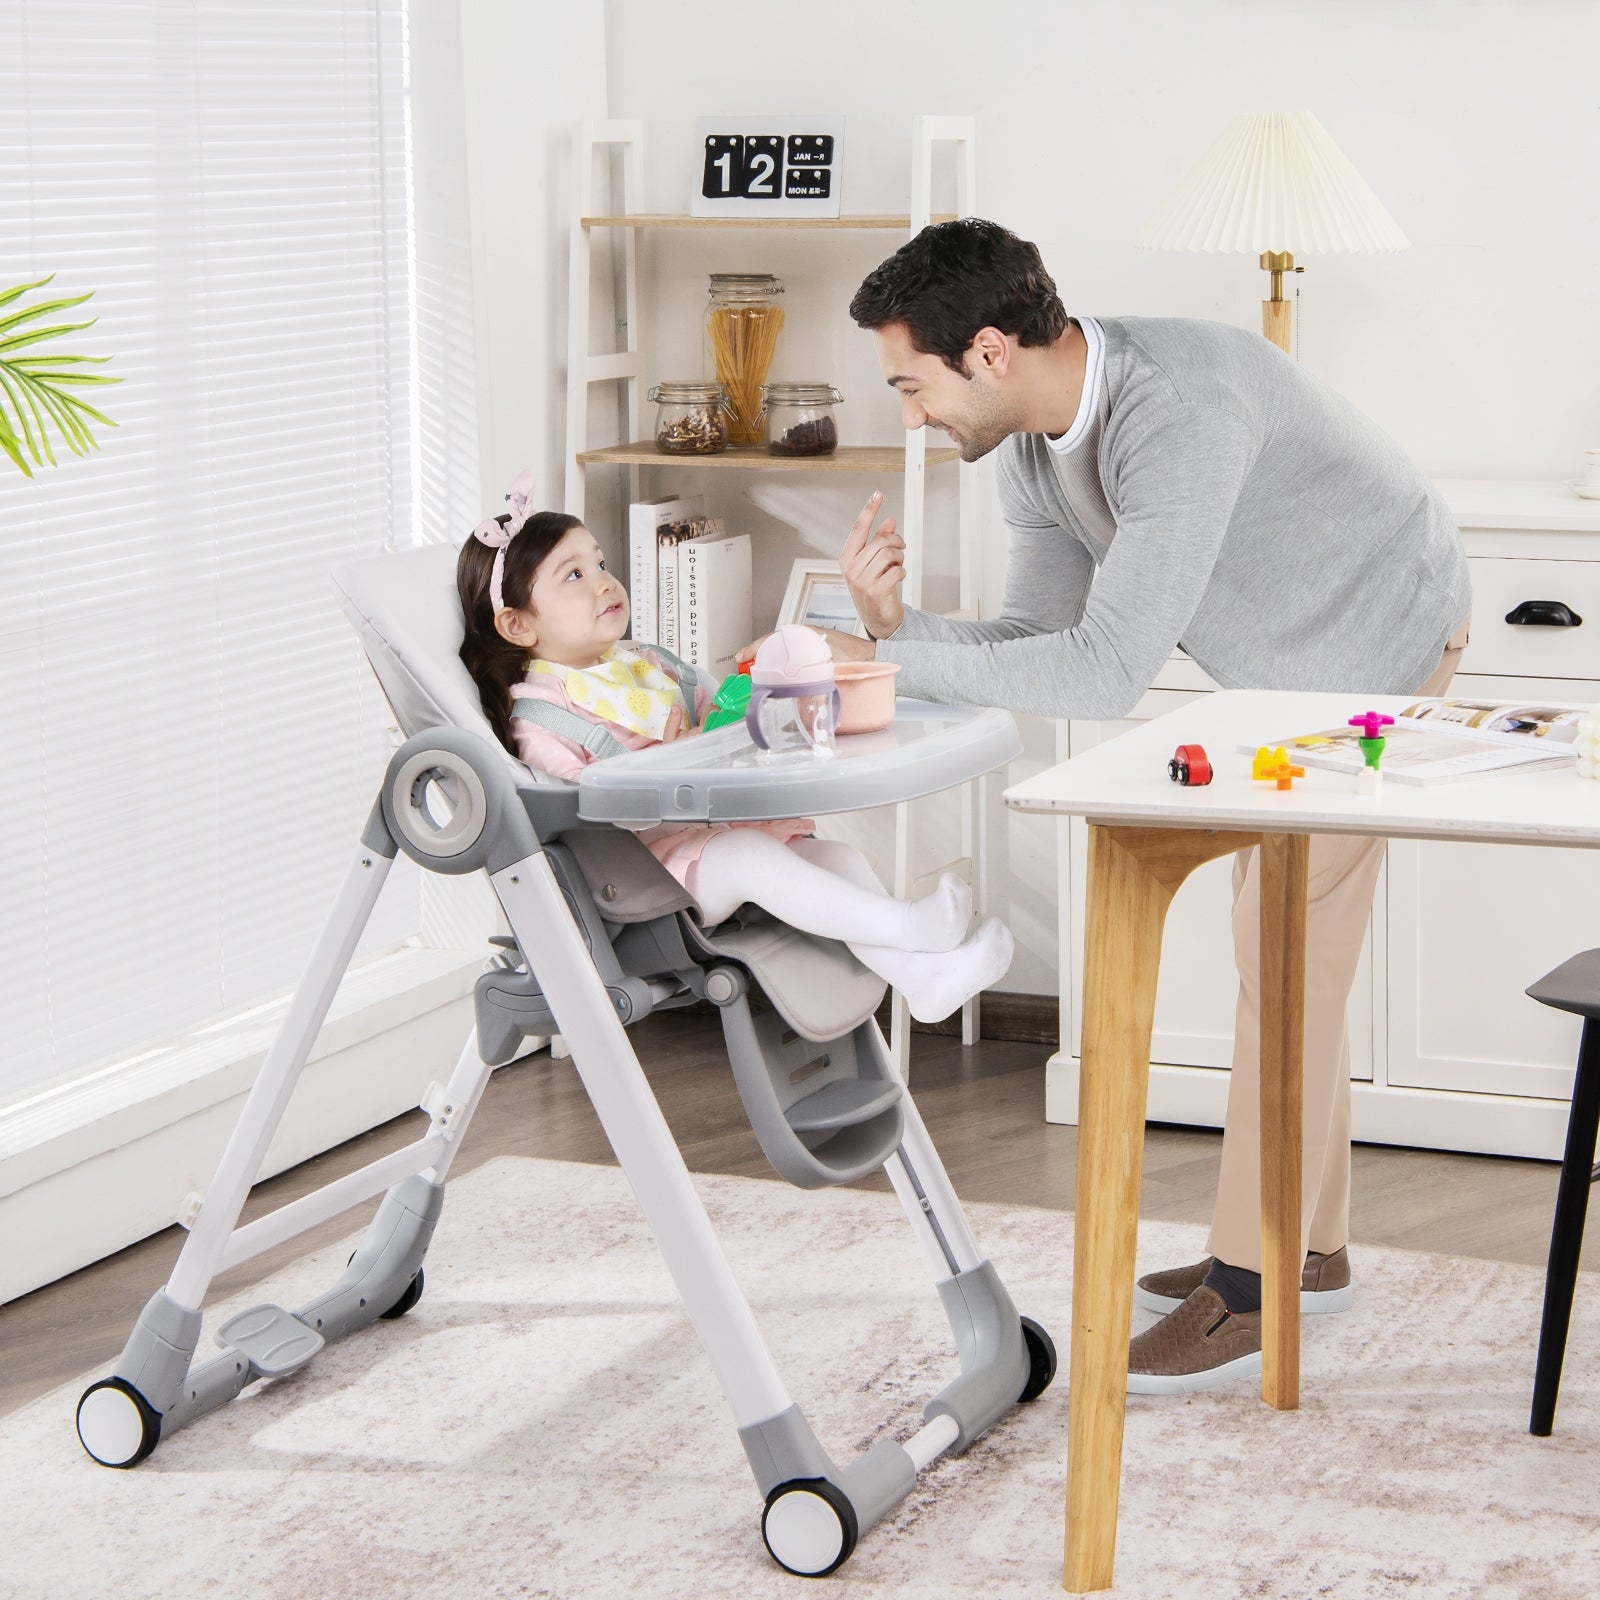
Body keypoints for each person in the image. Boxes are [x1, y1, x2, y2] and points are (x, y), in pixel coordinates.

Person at [825, 218, 1471, 1394]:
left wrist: (881, 663)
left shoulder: (1175, 414)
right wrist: (889, 637)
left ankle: (1248, 1289)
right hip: (1284, 681)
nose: (910, 419)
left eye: (911, 386)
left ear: (985, 352)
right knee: (1287, 945)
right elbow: (1034, 641)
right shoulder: (1028, 445)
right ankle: (1309, 1247)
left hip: (1381, 639)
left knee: (1279, 944)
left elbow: (1101, 674)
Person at [455, 474, 1015, 1024]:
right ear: (518, 624)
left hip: (715, 832)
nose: (604, 582)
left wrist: (760, 699)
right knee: (752, 859)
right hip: (644, 878)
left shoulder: (648, 664)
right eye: (573, 575)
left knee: (835, 857)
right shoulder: (540, 713)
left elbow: (721, 721)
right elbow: (576, 807)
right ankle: (911, 928)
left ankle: (923, 980)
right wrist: (661, 763)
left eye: (600, 564)